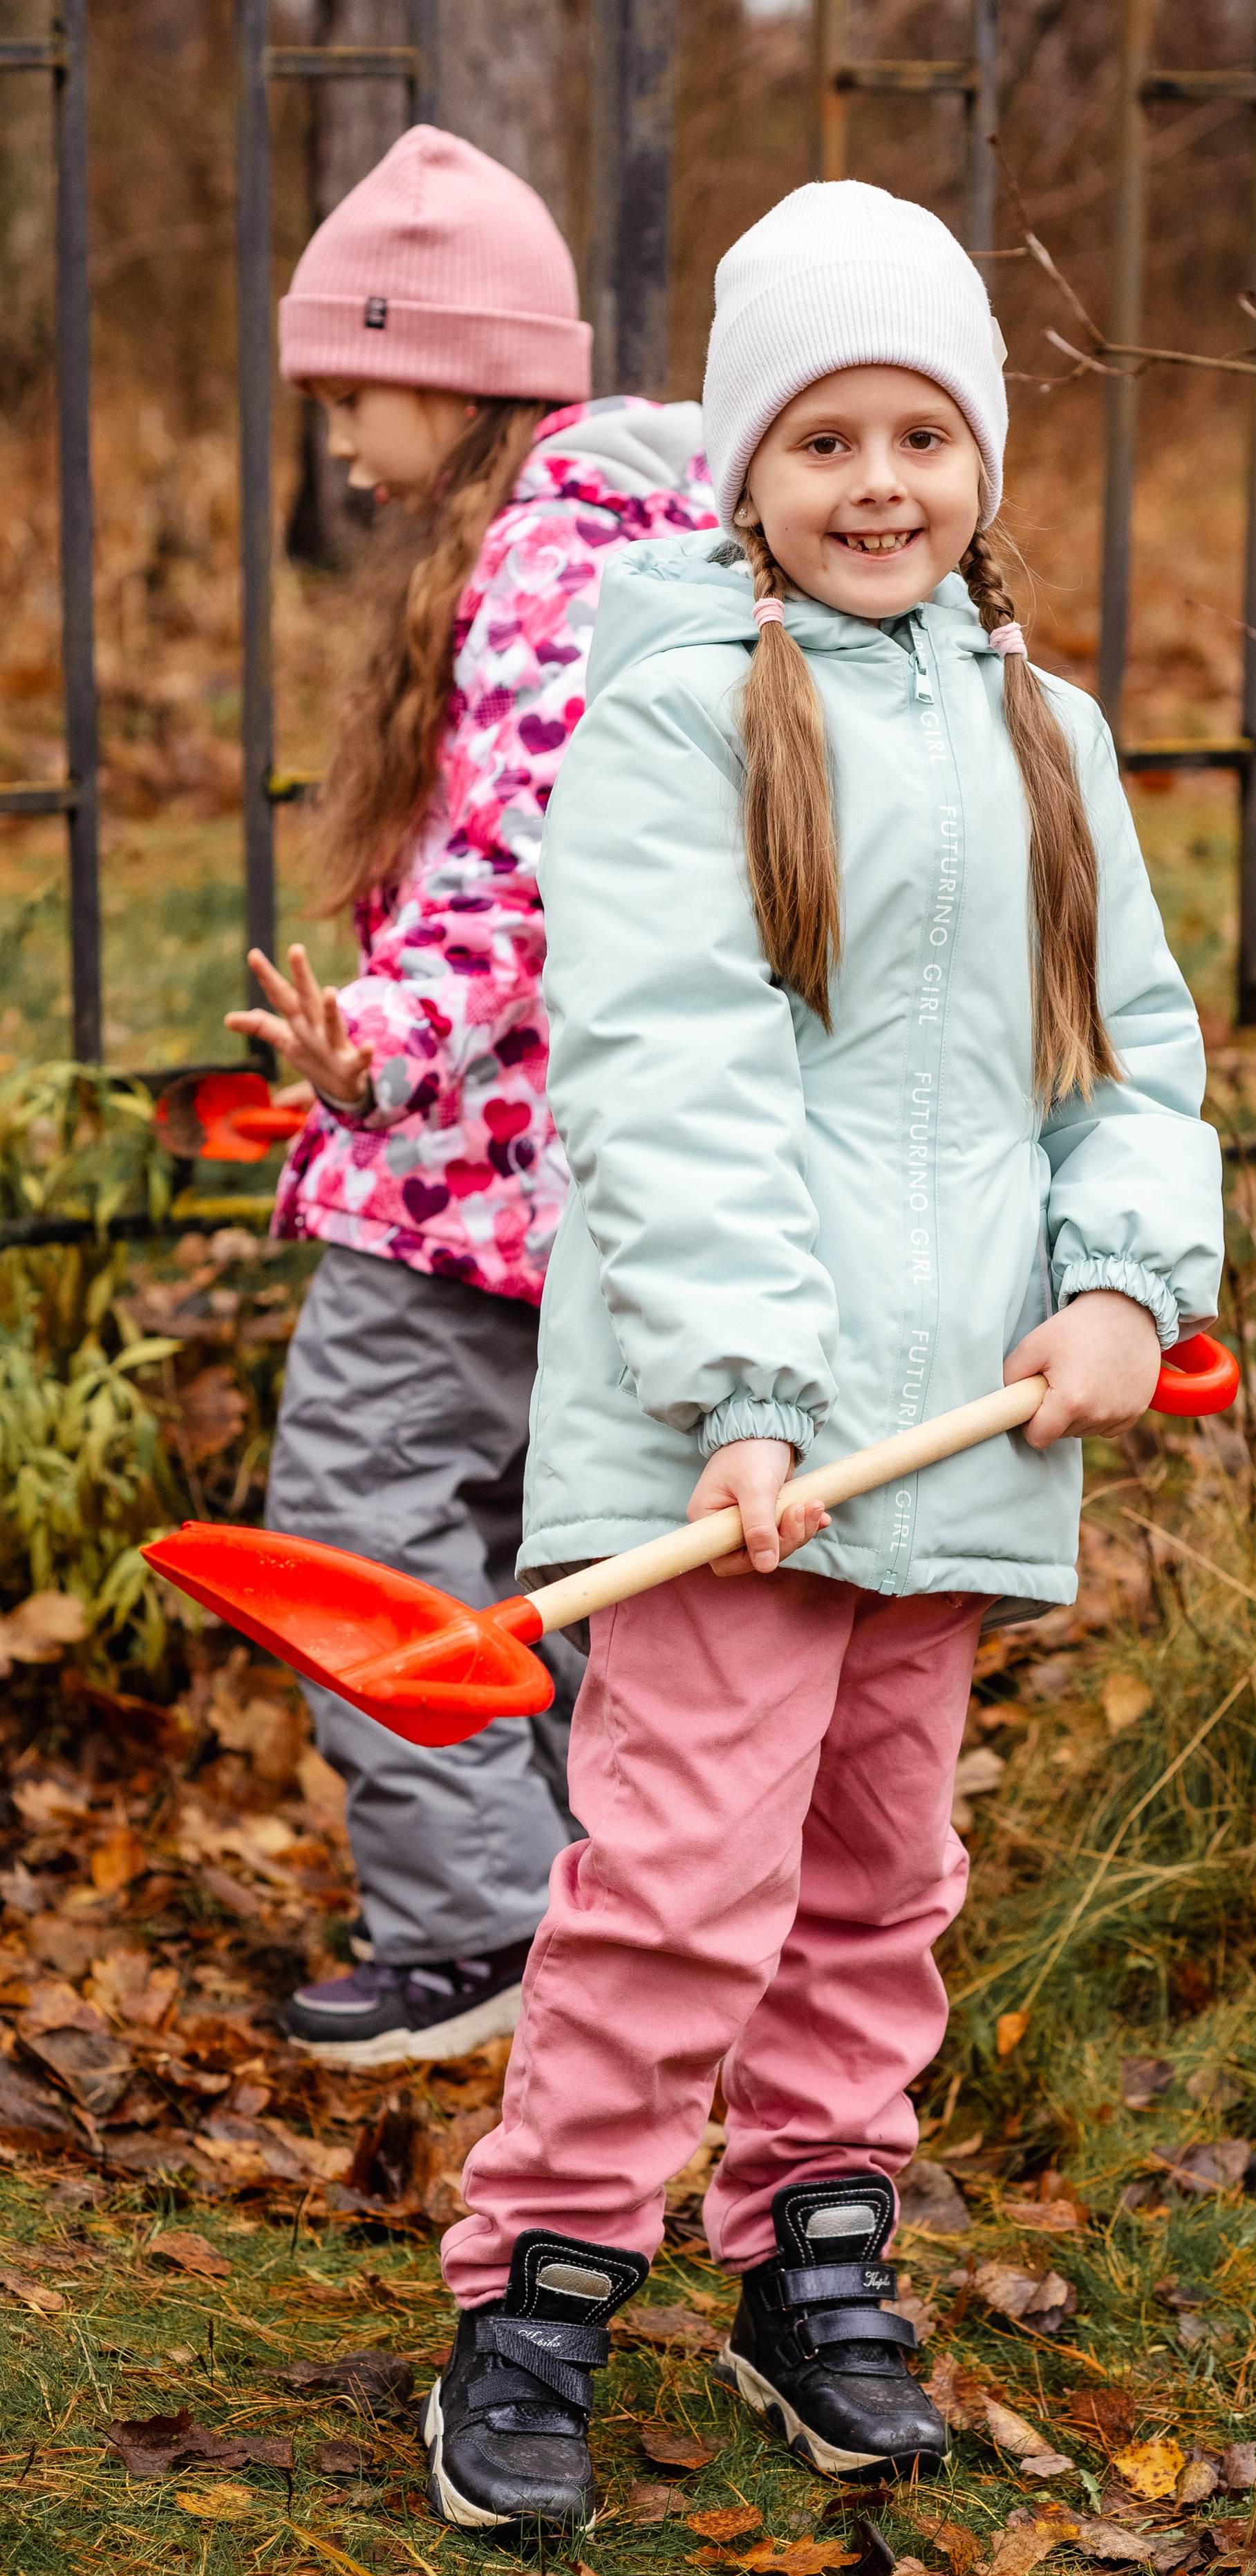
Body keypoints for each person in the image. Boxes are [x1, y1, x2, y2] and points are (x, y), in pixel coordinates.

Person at [419, 180, 1225, 2530]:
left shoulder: (1048, 735)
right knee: (679, 1878)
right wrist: (754, 1391)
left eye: (922, 435)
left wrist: (1123, 1283)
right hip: (723, 1447)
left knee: (880, 1878)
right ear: (744, 476)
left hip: (959, 1433)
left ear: (982, 460)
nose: (880, 484)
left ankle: (814, 2256)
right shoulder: (675, 722)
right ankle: (541, 2285)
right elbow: (664, 1076)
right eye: (823, 440)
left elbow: (1131, 1065)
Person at [227, 126, 717, 2066]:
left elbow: (521, 860)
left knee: (355, 1521)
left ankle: (479, 1924)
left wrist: (382, 1048)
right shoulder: (625, 541)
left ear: (452, 364)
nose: (340, 435)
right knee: (563, 1551)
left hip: (462, 1177)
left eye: (350, 384)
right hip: (565, 1178)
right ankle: (636, 1911)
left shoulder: (538, 562)